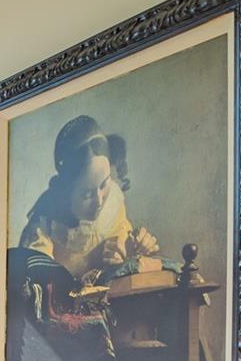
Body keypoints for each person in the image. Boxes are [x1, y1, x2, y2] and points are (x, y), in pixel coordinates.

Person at [19, 114, 158, 282]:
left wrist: (135, 247)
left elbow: (123, 240)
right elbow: (37, 281)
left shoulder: (113, 203)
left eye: (104, 184)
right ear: (66, 192)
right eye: (86, 194)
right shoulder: (45, 226)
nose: (99, 201)